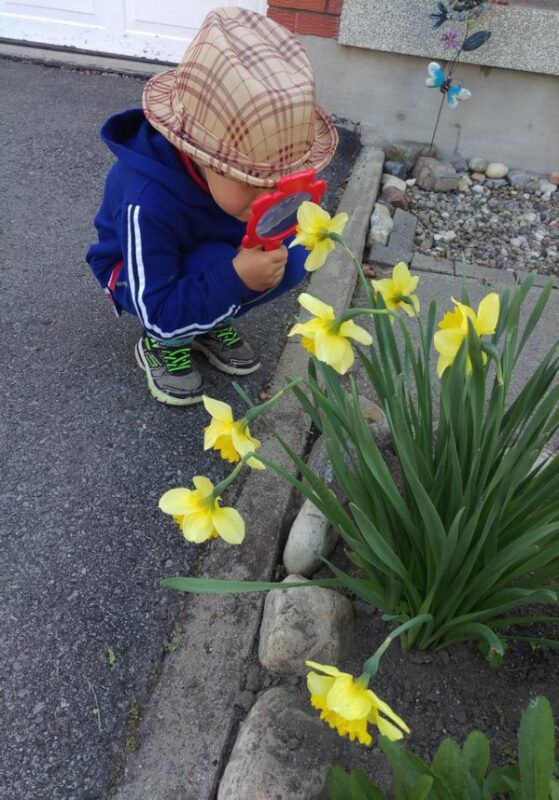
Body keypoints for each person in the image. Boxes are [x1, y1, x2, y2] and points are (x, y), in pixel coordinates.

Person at [86, 6, 338, 406]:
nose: (270, 197)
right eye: (253, 180)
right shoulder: (146, 200)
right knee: (214, 275)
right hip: (140, 279)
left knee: (292, 257)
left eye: (282, 180)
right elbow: (155, 305)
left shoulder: (230, 188)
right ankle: (163, 343)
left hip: (207, 249)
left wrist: (245, 270)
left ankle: (206, 319)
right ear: (199, 153)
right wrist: (235, 278)